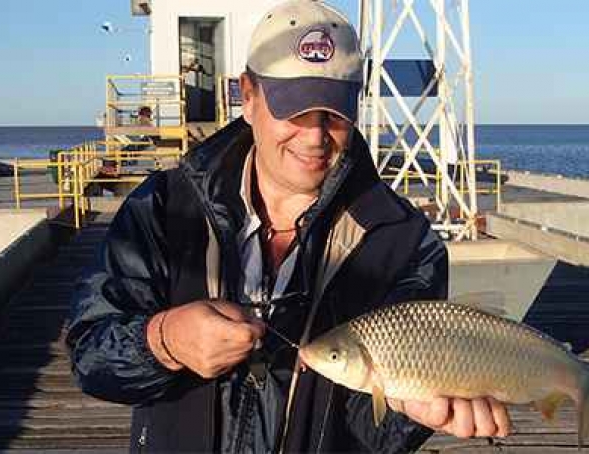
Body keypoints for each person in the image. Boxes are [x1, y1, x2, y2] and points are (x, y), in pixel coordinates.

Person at [65, 1, 511, 452]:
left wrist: (408, 413)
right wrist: (164, 341)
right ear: (249, 95)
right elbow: (90, 356)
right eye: (294, 110)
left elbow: (365, 436)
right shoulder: (162, 206)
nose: (315, 136)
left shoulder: (405, 241)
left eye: (334, 113)